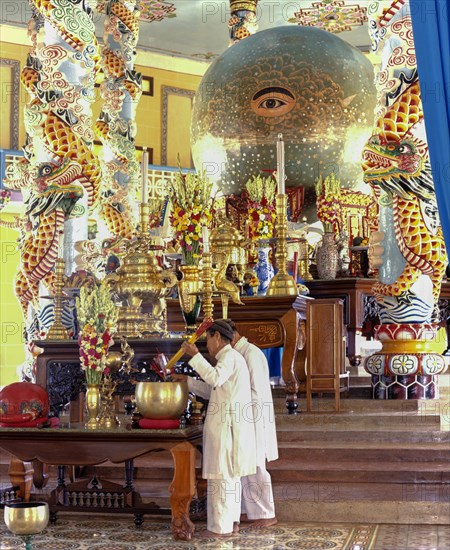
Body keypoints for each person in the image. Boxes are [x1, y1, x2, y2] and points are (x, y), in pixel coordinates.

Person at [172, 319, 256, 538]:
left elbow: (215, 378)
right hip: (229, 426)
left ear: (217, 337)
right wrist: (188, 381)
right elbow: (213, 389)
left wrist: (194, 355)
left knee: (222, 477)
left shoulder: (229, 357)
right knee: (229, 476)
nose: (206, 345)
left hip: (227, 427)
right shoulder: (230, 358)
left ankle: (220, 528)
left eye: (207, 339)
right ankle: (232, 523)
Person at [229, 320, 279, 529]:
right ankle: (246, 512)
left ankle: (266, 514)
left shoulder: (251, 354)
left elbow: (256, 394)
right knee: (244, 467)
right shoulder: (236, 355)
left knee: (256, 467)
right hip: (242, 418)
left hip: (254, 419)